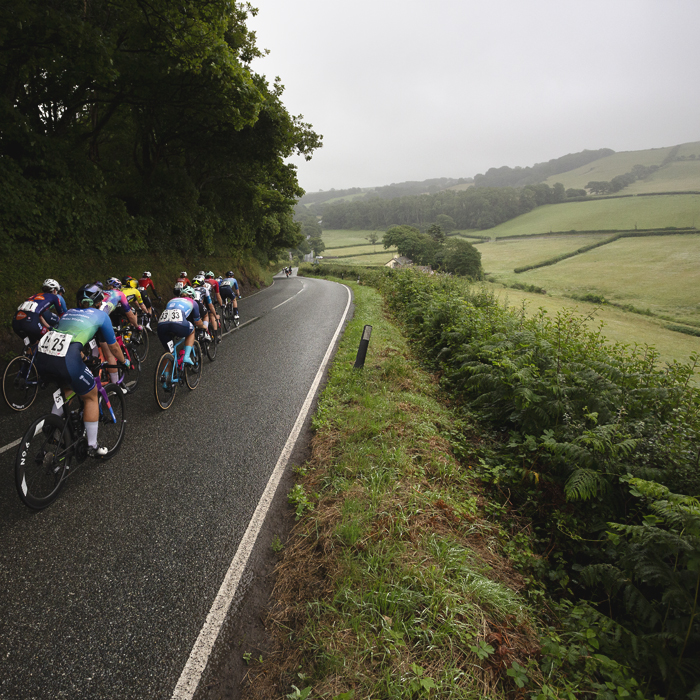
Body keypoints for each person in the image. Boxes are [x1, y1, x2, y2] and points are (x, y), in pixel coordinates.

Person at [34, 284, 128, 458]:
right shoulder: (101, 315)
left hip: (42, 356)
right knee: (91, 396)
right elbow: (113, 347)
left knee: (67, 389)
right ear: (99, 302)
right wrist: (125, 362)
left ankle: (52, 425)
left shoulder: (68, 312)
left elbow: (66, 335)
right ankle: (92, 446)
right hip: (66, 358)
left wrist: (84, 358)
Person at [157, 285, 204, 380]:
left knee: (168, 351)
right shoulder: (193, 302)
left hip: (161, 325)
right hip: (178, 324)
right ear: (192, 296)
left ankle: (166, 379)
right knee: (192, 331)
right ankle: (186, 356)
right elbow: (197, 322)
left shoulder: (172, 300)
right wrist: (203, 326)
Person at [11, 279, 68, 346]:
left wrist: (49, 327)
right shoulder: (54, 297)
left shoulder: (35, 296)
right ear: (55, 290)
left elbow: (40, 316)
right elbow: (62, 315)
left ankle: (27, 355)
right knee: (48, 338)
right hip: (30, 321)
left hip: (15, 322)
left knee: (33, 343)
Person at [192, 275, 219, 340]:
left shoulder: (191, 289)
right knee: (206, 315)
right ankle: (204, 331)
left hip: (189, 305)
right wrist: (215, 316)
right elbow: (210, 305)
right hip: (198, 304)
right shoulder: (204, 289)